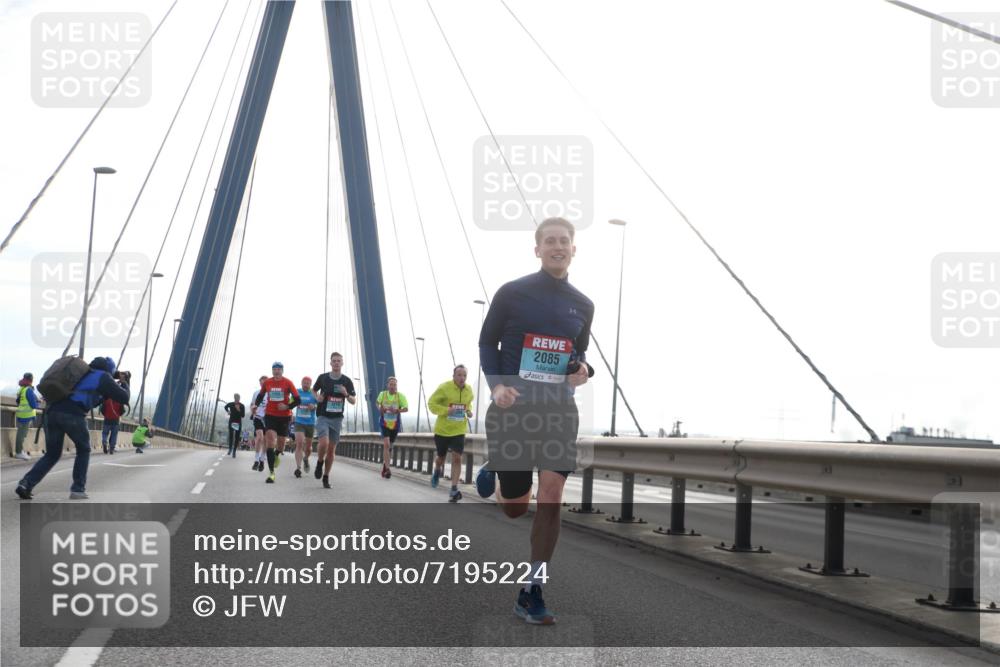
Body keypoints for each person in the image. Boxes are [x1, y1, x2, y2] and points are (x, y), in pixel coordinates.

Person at [477, 217, 595, 625]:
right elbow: (486, 341)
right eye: (550, 241)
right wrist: (495, 387)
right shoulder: (513, 293)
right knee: (514, 508)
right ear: (538, 249)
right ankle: (495, 469)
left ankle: (533, 588)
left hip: (558, 412)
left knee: (552, 494)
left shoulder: (583, 305)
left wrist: (583, 371)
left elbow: (576, 357)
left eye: (564, 241)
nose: (558, 246)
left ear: (573, 249)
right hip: (512, 410)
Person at [15, 357, 131, 500]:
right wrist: (125, 381)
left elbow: (90, 399)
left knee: (52, 454)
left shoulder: (80, 374)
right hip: (72, 414)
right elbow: (124, 397)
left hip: (51, 412)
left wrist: (103, 395)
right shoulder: (103, 377)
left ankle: (26, 484)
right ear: (109, 370)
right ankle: (78, 489)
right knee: (84, 449)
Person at [428, 366, 473, 501]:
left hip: (459, 430)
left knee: (457, 458)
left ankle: (454, 489)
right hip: (443, 430)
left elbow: (468, 404)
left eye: (464, 375)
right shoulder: (444, 388)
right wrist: (446, 410)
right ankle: (437, 470)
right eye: (459, 375)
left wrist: (469, 411)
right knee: (440, 458)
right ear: (453, 376)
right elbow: (431, 404)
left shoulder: (469, 390)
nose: (462, 378)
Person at [313, 352, 356, 489]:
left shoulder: (347, 381)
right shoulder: (323, 378)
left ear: (342, 363)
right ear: (330, 363)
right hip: (323, 416)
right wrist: (317, 397)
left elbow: (353, 401)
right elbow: (314, 391)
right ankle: (320, 462)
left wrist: (346, 394)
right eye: (334, 361)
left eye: (339, 361)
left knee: (331, 450)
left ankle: (326, 476)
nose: (336, 363)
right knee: (324, 442)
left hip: (337, 419)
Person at [253, 362, 299, 484]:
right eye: (274, 369)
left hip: (284, 417)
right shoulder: (268, 382)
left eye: (279, 369)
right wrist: (255, 406)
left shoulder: (288, 382)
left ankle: (277, 454)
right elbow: (260, 396)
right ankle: (271, 473)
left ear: (282, 371)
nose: (277, 371)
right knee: (270, 441)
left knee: (281, 445)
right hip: (270, 415)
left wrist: (287, 406)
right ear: (272, 371)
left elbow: (298, 399)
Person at [376, 377, 408, 479]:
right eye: (391, 384)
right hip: (384, 423)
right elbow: (377, 403)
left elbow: (406, 408)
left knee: (390, 447)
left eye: (394, 385)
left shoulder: (400, 396)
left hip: (395, 425)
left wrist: (397, 411)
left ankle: (385, 466)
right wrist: (381, 409)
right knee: (386, 444)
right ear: (387, 385)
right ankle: (388, 469)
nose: (393, 386)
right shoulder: (383, 394)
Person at [293, 376, 317, 478]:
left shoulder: (314, 394)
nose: (306, 384)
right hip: (299, 422)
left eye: (308, 383)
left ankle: (306, 458)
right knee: (299, 443)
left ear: (310, 384)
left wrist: (314, 407)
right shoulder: (297, 392)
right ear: (301, 383)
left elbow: (320, 405)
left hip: (310, 423)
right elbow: (290, 402)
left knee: (308, 447)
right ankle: (298, 468)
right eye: (304, 383)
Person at [14, 372, 39, 460]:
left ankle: (20, 451)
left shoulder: (22, 389)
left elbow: (18, 401)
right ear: (31, 380)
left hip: (20, 414)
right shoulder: (28, 390)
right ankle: (19, 452)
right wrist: (38, 403)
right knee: (21, 434)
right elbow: (33, 405)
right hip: (26, 416)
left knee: (21, 434)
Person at [100, 374, 127, 455]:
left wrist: (106, 415)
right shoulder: (119, 401)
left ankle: (104, 442)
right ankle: (111, 448)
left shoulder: (107, 400)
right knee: (114, 435)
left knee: (105, 433)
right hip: (115, 420)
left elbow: (102, 410)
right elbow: (123, 411)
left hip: (107, 419)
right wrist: (118, 414)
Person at [250, 376, 268, 472]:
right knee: (260, 437)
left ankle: (262, 460)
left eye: (265, 382)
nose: (263, 384)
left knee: (265, 440)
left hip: (268, 419)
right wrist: (253, 410)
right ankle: (256, 460)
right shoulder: (256, 393)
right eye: (262, 383)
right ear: (260, 383)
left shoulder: (270, 394)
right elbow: (252, 404)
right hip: (258, 417)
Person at [223, 393, 246, 458]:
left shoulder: (242, 406)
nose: (237, 400)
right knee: (231, 436)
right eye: (236, 398)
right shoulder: (231, 404)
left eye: (238, 398)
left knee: (237, 437)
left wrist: (239, 410)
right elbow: (225, 407)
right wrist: (228, 411)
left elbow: (243, 415)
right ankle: (230, 449)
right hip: (232, 422)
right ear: (234, 398)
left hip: (238, 423)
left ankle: (234, 451)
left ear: (239, 398)